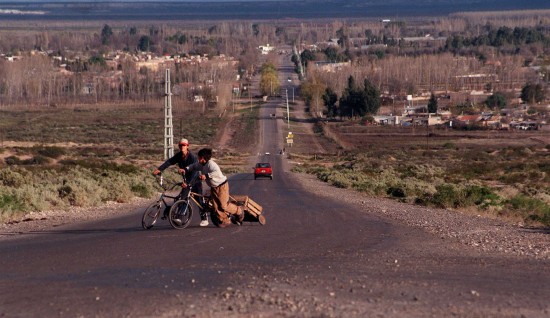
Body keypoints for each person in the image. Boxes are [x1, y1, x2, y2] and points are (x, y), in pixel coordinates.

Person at [153, 138, 209, 227]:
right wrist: (159, 169)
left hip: (195, 180)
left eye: (184, 145)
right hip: (187, 181)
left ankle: (204, 218)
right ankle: (178, 218)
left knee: (199, 201)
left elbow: (194, 172)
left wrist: (188, 183)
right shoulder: (179, 156)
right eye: (180, 145)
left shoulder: (192, 157)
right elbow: (169, 162)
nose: (182, 147)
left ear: (187, 146)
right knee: (183, 197)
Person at [183, 148, 244, 228]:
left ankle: (239, 211)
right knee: (215, 207)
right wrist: (186, 169)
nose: (198, 159)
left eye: (199, 157)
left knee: (223, 206)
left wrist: (206, 176)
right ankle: (225, 220)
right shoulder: (201, 164)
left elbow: (216, 173)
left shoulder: (211, 164)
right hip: (214, 187)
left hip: (222, 186)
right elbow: (194, 166)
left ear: (202, 158)